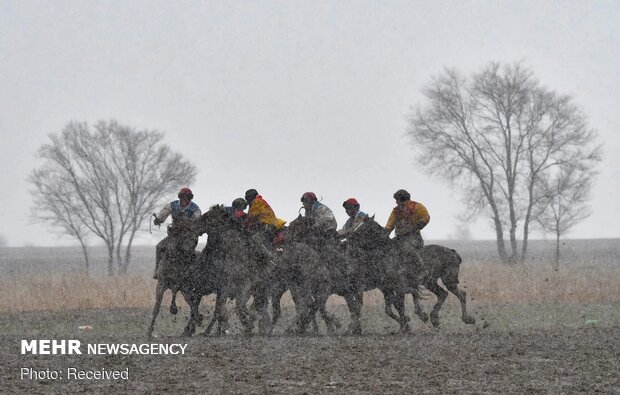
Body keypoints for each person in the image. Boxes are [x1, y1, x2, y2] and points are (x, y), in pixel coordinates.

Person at [152, 187, 202, 279]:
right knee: (159, 247)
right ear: (180, 198)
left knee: (186, 251)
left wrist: (189, 227)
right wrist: (159, 220)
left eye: (187, 198)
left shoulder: (195, 209)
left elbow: (198, 223)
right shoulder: (172, 205)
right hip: (174, 236)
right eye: (183, 198)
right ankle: (157, 269)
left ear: (190, 199)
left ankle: (190, 272)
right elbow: (163, 214)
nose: (184, 200)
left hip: (189, 237)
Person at [244, 189, 286, 263]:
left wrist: (243, 223)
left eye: (247, 198)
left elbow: (251, 216)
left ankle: (270, 257)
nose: (247, 201)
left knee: (255, 238)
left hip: (266, 226)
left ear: (250, 197)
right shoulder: (261, 201)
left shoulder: (256, 202)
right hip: (272, 225)